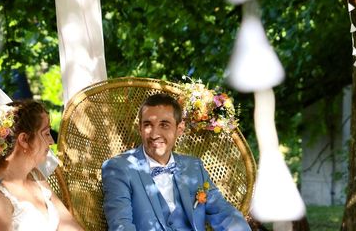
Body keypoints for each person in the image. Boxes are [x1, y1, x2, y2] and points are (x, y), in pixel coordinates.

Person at [101, 93, 251, 231]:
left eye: (164, 125)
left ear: (179, 129)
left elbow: (224, 212)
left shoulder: (194, 167)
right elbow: (121, 225)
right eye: (147, 125)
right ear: (140, 128)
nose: (154, 134)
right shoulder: (118, 168)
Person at [0, 99, 84, 231]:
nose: (51, 141)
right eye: (46, 133)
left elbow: (69, 225)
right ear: (24, 140)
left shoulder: (35, 175)